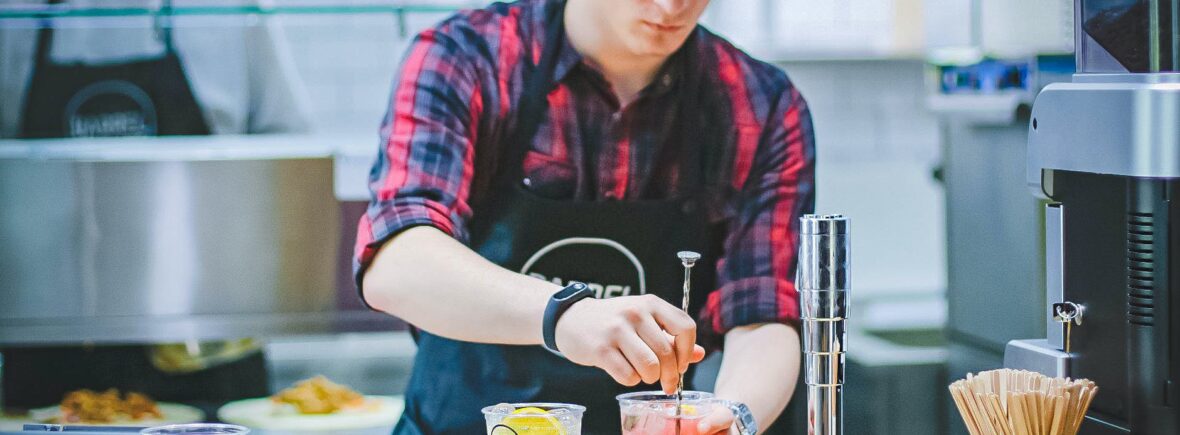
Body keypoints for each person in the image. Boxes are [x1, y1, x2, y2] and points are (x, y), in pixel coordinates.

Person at [355, 0, 815, 433]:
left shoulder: (759, 104)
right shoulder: (468, 58)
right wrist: (565, 316)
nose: (673, 6)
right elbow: (396, 262)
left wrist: (730, 419)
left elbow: (763, 313)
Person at [0, 0, 311, 411]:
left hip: (207, 349)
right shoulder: (15, 18)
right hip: (50, 350)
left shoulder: (230, 12)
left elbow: (290, 161)